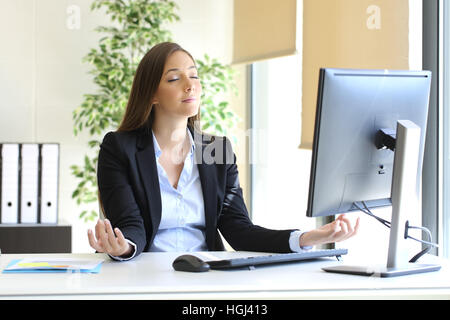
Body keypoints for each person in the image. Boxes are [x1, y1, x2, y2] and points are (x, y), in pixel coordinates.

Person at [87, 42, 359, 260]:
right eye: (174, 79)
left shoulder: (217, 151)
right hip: (146, 279)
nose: (190, 84)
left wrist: (307, 238)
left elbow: (239, 230)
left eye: (194, 75)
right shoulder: (119, 148)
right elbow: (130, 224)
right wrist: (123, 248)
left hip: (206, 274)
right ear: (152, 95)